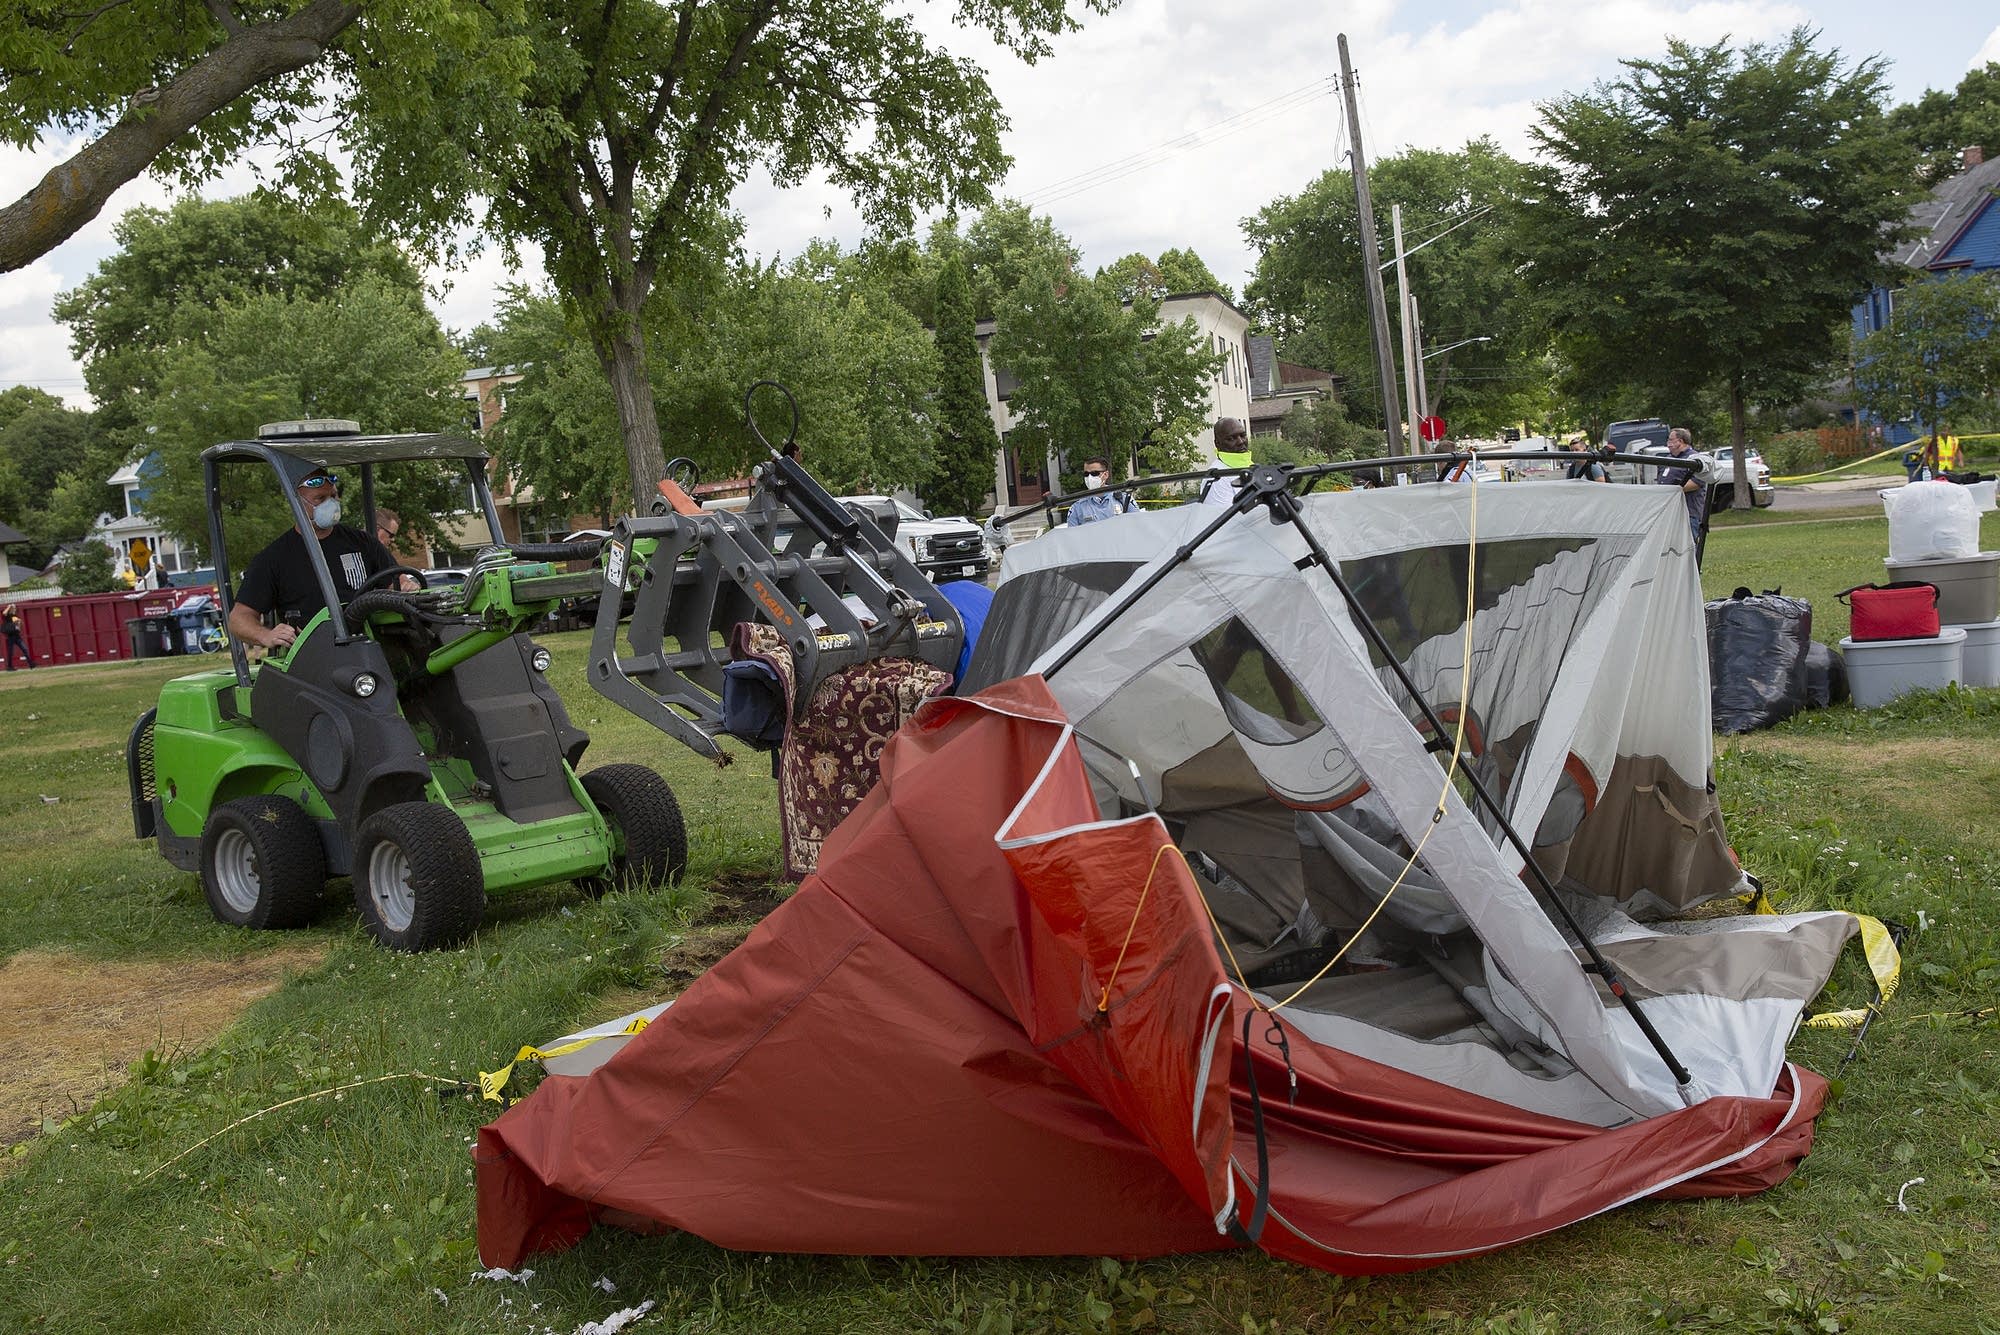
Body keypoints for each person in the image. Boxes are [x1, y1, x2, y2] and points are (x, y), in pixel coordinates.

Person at [228, 466, 400, 652]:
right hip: (311, 658)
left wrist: (407, 588)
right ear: (296, 502)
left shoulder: (362, 542)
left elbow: (397, 583)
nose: (331, 504)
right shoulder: (274, 558)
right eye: (320, 499)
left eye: (333, 496)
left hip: (369, 647)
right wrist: (266, 635)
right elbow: (239, 618)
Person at [1656, 427, 1708, 562]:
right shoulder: (1668, 459)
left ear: (1680, 441)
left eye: (1670, 440)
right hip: (1669, 513)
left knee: (1687, 550)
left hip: (1688, 513)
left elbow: (1697, 482)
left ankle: (1691, 579)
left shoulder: (1695, 459)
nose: (1668, 443)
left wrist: (1671, 490)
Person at [1066, 455, 1132, 526]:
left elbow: (1137, 525)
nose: (1089, 477)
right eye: (1086, 474)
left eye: (1094, 473)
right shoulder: (1077, 508)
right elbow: (1072, 535)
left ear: (1106, 474)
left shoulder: (1124, 499)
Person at [1201, 418, 1253, 506]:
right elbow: (1223, 517)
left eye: (1243, 435)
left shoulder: (1251, 466)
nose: (1241, 442)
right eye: (1231, 438)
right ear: (1217, 444)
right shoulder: (1217, 477)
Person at [3, 603, 32, 670]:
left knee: (25, 649)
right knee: (10, 652)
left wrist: (19, 623)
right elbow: (4, 613)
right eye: (14, 608)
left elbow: (18, 627)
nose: (15, 609)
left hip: (17, 636)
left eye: (15, 608)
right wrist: (9, 606)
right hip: (10, 637)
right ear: (10, 609)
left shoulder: (15, 616)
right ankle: (9, 667)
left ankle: (31, 664)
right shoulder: (7, 616)